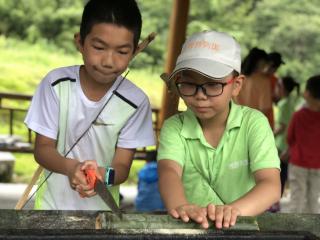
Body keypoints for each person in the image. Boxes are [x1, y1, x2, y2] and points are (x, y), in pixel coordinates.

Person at [24, 0, 155, 210]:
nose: (108, 61)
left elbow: (121, 168)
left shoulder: (136, 102)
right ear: (80, 42)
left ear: (134, 51)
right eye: (99, 47)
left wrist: (104, 175)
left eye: (122, 52)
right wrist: (71, 167)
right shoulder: (56, 84)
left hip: (102, 217)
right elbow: (42, 150)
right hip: (50, 209)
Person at [157, 30, 281, 229]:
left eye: (213, 85)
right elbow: (168, 172)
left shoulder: (254, 123)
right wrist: (181, 206)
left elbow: (271, 185)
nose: (200, 96)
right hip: (191, 228)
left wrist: (234, 211)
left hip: (243, 228)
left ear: (236, 85)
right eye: (188, 84)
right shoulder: (174, 127)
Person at [287, 75, 320, 214]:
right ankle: (313, 230)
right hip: (318, 165)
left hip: (298, 163)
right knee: (313, 199)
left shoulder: (298, 115)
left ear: (307, 93)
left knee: (297, 198)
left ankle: (295, 231)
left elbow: (289, 138)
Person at [234, 47, 274, 128]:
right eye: (264, 63)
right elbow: (264, 108)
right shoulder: (263, 81)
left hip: (233, 122)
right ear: (259, 62)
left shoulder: (234, 76)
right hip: (251, 125)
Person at [274, 76, 300, 196]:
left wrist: (268, 135)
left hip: (280, 144)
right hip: (287, 144)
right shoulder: (290, 102)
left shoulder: (284, 104)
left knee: (277, 173)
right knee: (282, 172)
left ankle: (274, 199)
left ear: (281, 88)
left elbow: (282, 126)